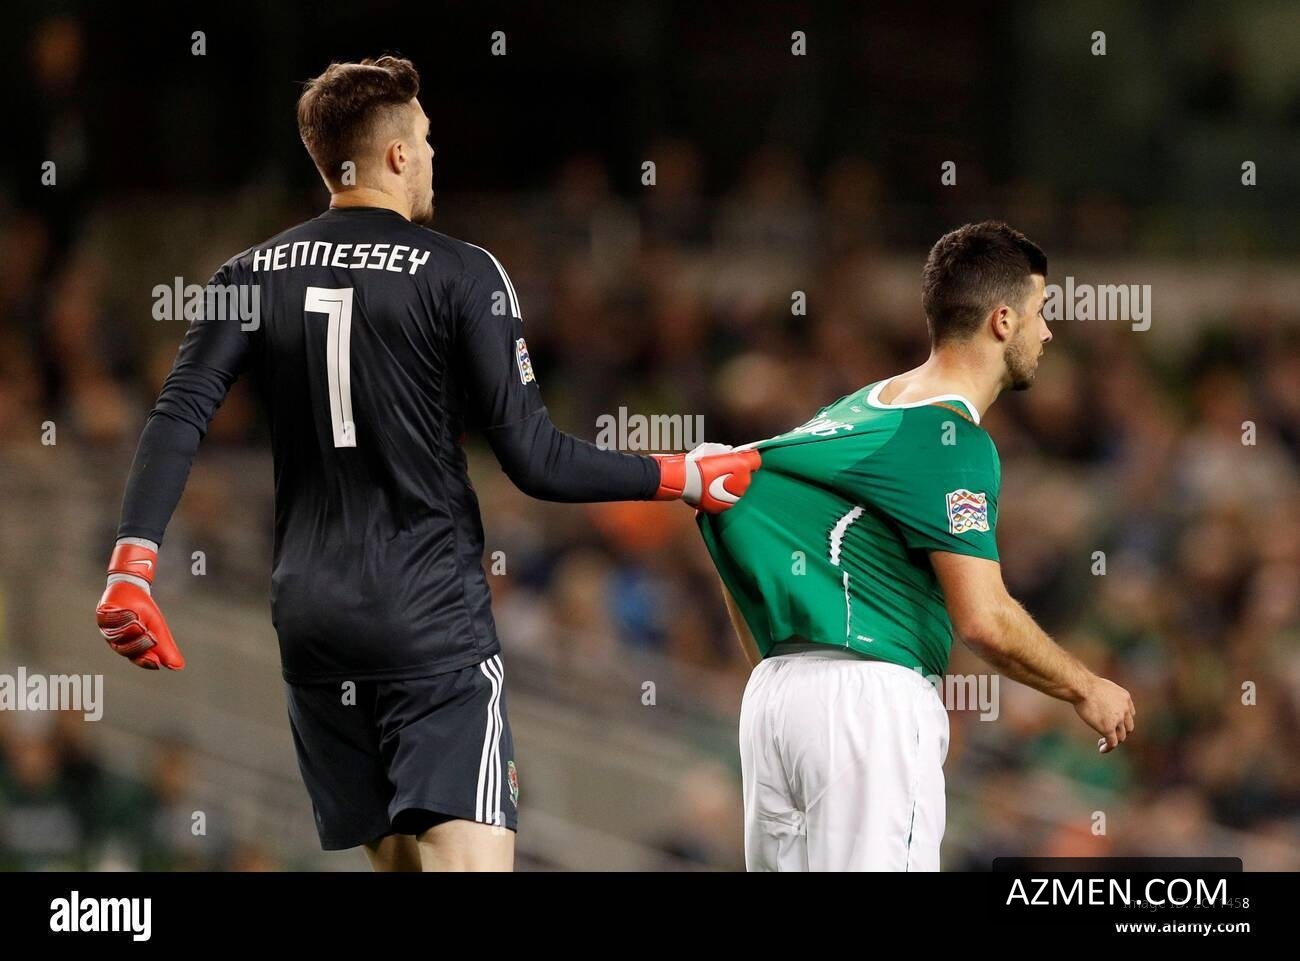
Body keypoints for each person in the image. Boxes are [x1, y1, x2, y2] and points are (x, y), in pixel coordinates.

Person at [95, 56, 759, 872]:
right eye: (429, 140)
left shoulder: (248, 275)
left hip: (313, 626)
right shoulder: (462, 272)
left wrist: (132, 565)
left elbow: (177, 415)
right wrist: (683, 475)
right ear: (398, 155)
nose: (435, 157)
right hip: (427, 619)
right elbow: (536, 458)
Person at [697, 221, 1135, 871]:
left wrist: (782, 665)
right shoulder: (952, 439)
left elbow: (734, 503)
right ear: (1003, 321)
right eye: (1041, 312)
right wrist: (1084, 686)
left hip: (774, 701)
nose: (1048, 333)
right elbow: (983, 619)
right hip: (870, 703)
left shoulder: (853, 412)